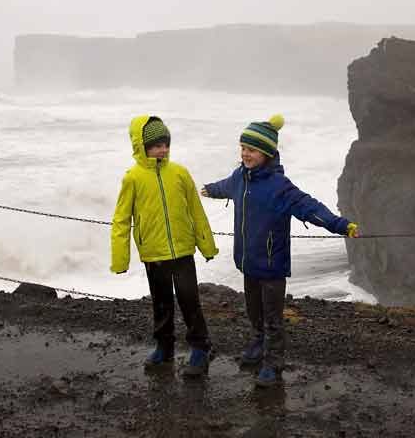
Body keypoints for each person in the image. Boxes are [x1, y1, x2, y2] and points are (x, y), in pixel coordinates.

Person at [201, 114, 360, 387]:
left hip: (272, 266)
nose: (245, 154)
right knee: (254, 311)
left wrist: (341, 226)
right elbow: (226, 186)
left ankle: (273, 363)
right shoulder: (241, 176)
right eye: (242, 148)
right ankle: (258, 342)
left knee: (273, 317)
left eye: (251, 150)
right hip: (248, 262)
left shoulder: (279, 187)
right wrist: (209, 190)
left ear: (266, 152)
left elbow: (311, 208)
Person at [111, 115, 219, 376]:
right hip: (153, 253)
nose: (163, 150)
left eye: (166, 144)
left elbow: (196, 211)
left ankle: (200, 349)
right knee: (161, 303)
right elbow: (121, 219)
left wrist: (206, 246)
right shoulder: (133, 178)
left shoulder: (179, 173)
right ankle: (164, 347)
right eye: (156, 145)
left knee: (189, 300)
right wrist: (120, 259)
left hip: (183, 251)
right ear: (141, 146)